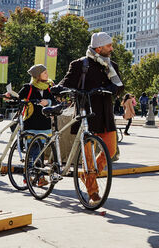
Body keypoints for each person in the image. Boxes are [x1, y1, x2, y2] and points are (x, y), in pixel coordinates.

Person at [54, 32, 124, 205]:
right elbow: (67, 82)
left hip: (106, 114)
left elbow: (119, 87)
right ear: (99, 47)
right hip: (86, 113)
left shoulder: (111, 65)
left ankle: (88, 176)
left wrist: (110, 88)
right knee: (88, 157)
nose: (112, 48)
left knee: (111, 150)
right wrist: (58, 88)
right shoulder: (80, 64)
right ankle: (93, 191)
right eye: (109, 46)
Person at [18, 65, 55, 178]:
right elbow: (18, 98)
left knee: (40, 151)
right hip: (31, 123)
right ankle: (30, 176)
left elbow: (54, 101)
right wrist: (9, 96)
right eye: (44, 73)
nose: (47, 75)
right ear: (37, 76)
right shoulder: (28, 88)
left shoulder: (49, 87)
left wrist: (47, 102)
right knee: (32, 150)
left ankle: (38, 176)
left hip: (45, 123)